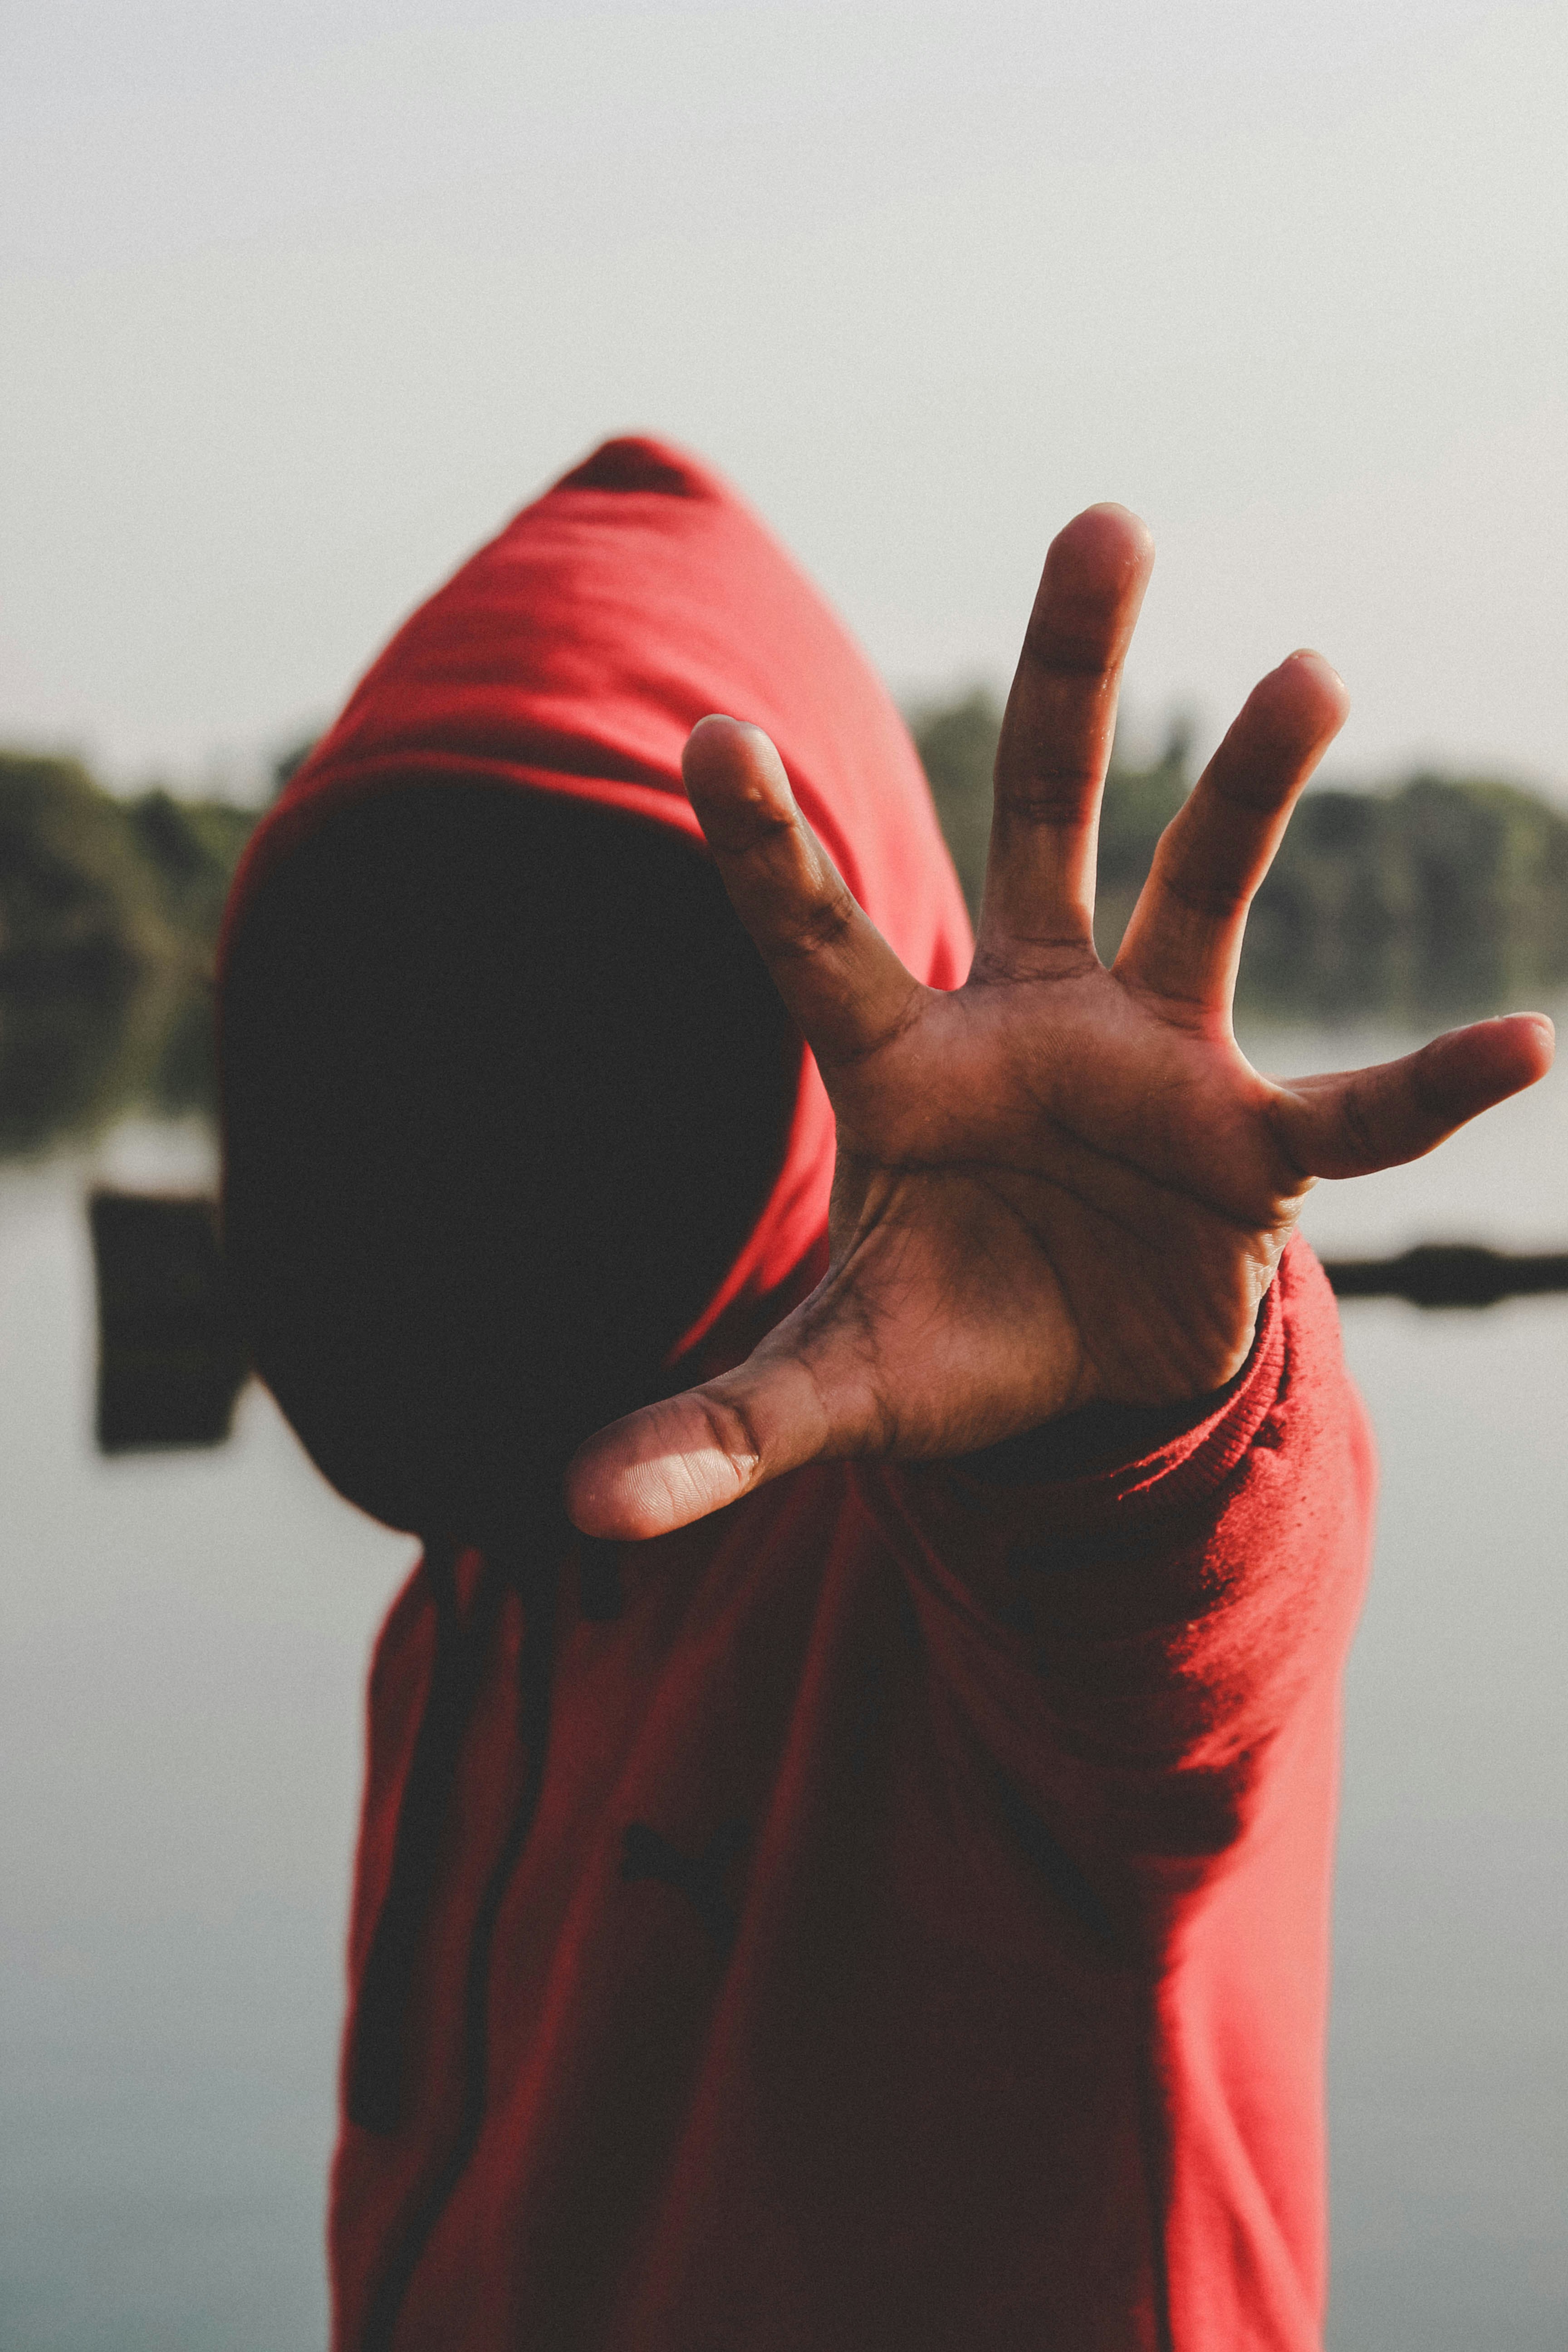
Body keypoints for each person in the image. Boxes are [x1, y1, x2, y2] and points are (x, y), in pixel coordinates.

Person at [217, 436, 1552, 2352]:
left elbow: (1182, 1662)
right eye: (422, 999)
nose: (500, 1095)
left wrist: (1130, 1430)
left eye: (597, 987)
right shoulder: (473, 1601)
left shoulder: (976, 1555)